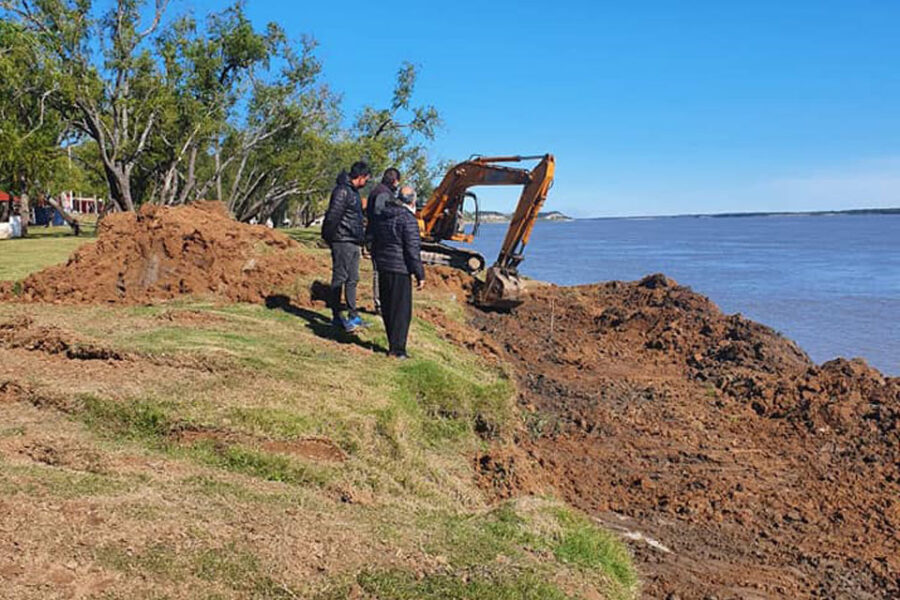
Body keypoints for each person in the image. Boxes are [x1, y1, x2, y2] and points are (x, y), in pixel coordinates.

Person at [371, 185, 425, 358]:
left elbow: (375, 240)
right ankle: (398, 350)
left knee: (388, 308)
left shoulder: (383, 216)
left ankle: (392, 344)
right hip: (400, 269)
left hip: (384, 266)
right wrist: (419, 274)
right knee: (401, 311)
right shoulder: (408, 219)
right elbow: (412, 249)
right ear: (412, 201)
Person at [322, 160, 371, 331]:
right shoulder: (342, 191)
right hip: (342, 240)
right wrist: (330, 238)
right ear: (360, 176)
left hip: (353, 241)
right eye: (366, 179)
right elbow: (333, 217)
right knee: (339, 278)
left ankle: (353, 314)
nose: (366, 183)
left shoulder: (354, 192)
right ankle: (336, 316)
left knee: (353, 279)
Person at [365, 167, 402, 315]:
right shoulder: (383, 194)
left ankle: (383, 303)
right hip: (379, 238)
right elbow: (380, 214)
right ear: (394, 180)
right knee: (379, 272)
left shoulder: (378, 191)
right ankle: (380, 305)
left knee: (380, 272)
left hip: (376, 236)